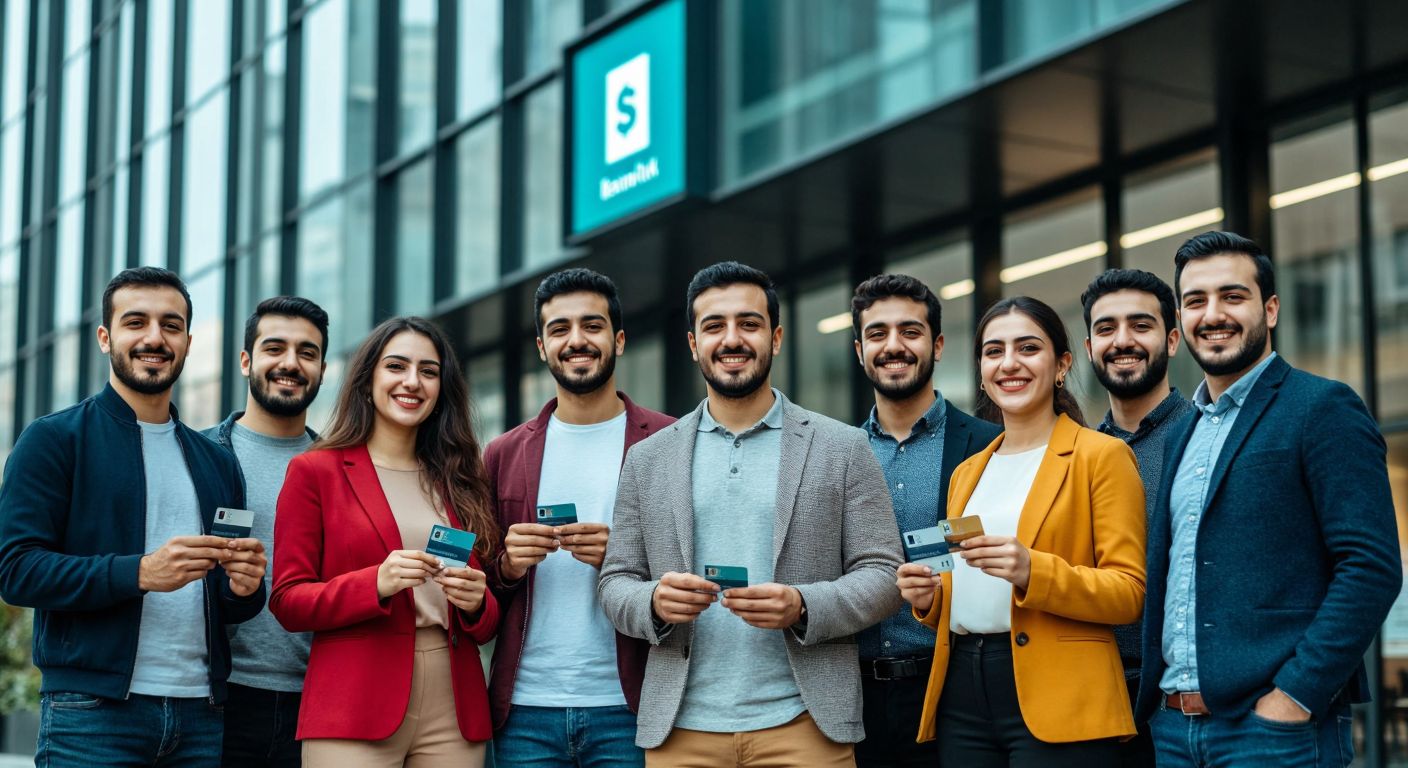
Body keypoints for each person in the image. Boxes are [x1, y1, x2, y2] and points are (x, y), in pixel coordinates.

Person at [598, 261, 903, 768]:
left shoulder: (843, 447)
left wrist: (803, 606)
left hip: (805, 726)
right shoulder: (648, 458)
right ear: (693, 343)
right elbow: (615, 582)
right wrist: (653, 601)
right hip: (681, 731)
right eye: (714, 326)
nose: (732, 339)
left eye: (749, 323)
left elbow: (886, 574)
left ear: (776, 338)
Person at [1136, 231, 1401, 768]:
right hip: (1174, 729)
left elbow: (1371, 567)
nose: (1213, 314)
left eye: (1233, 296)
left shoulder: (1321, 407)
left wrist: (1295, 696)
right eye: (1195, 300)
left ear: (1271, 309)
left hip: (1271, 733)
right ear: (1181, 319)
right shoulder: (1183, 432)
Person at [0, 267, 267, 767]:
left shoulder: (216, 461)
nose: (154, 338)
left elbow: (227, 602)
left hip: (201, 717)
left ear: (187, 343)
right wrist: (141, 572)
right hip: (92, 715)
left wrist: (245, 588)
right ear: (106, 337)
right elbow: (16, 571)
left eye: (171, 325)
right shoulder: (54, 440)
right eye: (136, 322)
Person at [897, 296, 1146, 767]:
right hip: (962, 693)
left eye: (1028, 348)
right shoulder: (967, 472)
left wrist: (1033, 570)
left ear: (1062, 365)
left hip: (1062, 692)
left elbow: (1130, 593)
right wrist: (930, 599)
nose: (1009, 363)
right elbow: (969, 585)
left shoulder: (1102, 456)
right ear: (981, 370)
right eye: (994, 352)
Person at [270, 316, 501, 768]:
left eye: (428, 371)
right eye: (396, 366)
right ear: (367, 379)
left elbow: (488, 620)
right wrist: (375, 583)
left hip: (455, 703)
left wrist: (478, 602)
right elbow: (287, 601)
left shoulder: (459, 478)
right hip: (354, 700)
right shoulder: (315, 472)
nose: (412, 381)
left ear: (441, 389)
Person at [486, 268, 674, 767]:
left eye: (592, 325)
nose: (576, 340)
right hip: (526, 710)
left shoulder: (669, 440)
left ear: (619, 340)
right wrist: (508, 566)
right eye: (559, 329)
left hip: (633, 705)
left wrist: (623, 559)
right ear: (542, 348)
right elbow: (479, 587)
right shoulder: (503, 453)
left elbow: (696, 561)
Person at [849, 274, 1000, 767]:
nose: (894, 346)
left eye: (910, 332)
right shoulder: (836, 453)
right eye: (878, 334)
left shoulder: (988, 445)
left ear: (937, 345)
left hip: (959, 689)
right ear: (860, 351)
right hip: (857, 699)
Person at [204, 296, 330, 767]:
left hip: (316, 699)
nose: (290, 364)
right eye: (274, 348)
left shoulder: (342, 468)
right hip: (217, 697)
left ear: (321, 369)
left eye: (307, 352)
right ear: (246, 361)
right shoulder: (199, 456)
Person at [1080, 268, 1194, 767]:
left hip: (1184, 707)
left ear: (1172, 339)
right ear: (1089, 348)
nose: (1122, 341)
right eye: (1106, 329)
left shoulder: (1204, 436)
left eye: (1140, 325)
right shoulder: (1078, 454)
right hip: (1096, 703)